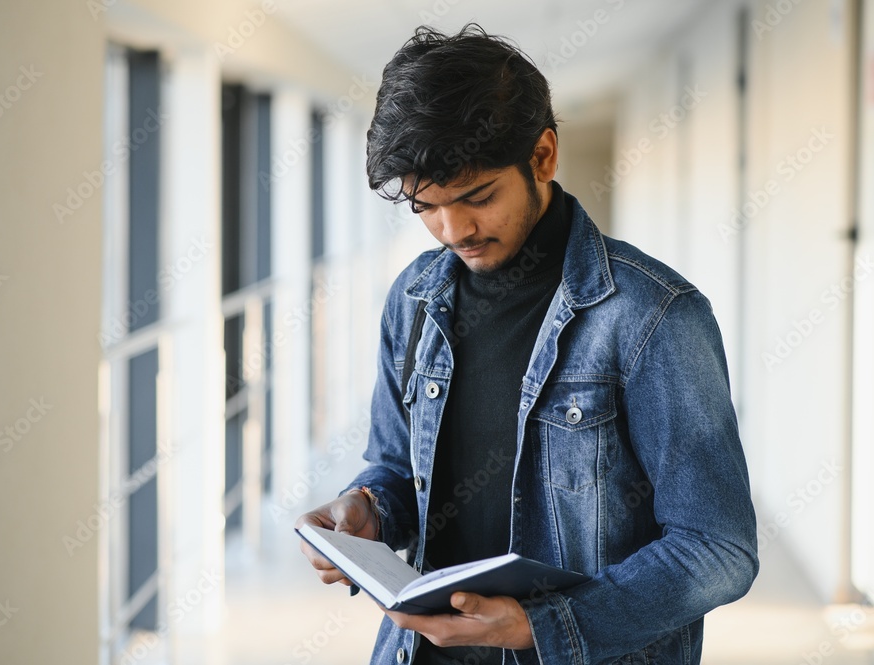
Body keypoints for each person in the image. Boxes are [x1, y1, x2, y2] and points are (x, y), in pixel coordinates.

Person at [296, 24, 758, 665]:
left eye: (477, 197)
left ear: (543, 156)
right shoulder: (413, 299)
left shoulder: (653, 316)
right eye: (425, 206)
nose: (453, 229)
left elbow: (718, 547)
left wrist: (540, 625)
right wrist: (368, 509)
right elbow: (398, 467)